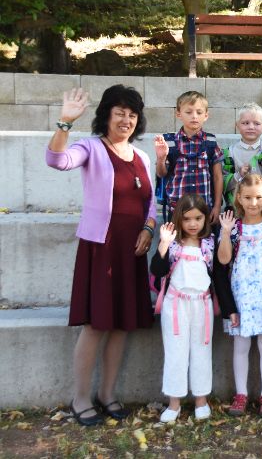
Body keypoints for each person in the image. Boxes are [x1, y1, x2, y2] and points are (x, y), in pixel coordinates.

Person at [45, 85, 156, 426]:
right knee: (96, 325)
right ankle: (80, 398)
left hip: (133, 249)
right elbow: (57, 160)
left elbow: (151, 201)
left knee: (122, 325)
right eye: (119, 112)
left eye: (132, 114)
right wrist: (65, 122)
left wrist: (148, 228)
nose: (126, 120)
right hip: (102, 246)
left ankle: (107, 394)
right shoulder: (91, 148)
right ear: (106, 115)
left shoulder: (142, 157)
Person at [218, 174, 262, 417]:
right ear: (239, 197)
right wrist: (225, 232)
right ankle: (241, 394)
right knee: (241, 345)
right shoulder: (234, 227)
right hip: (242, 296)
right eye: (247, 197)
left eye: (258, 197)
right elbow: (224, 259)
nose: (253, 203)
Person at [150, 194, 217, 422]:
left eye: (198, 218)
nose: (192, 224)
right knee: (175, 352)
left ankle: (201, 400)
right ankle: (174, 403)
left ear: (205, 218)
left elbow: (218, 274)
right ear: (179, 219)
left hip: (202, 305)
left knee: (202, 351)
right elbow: (157, 270)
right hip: (175, 305)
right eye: (187, 219)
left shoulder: (209, 244)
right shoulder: (173, 243)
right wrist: (163, 244)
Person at [154, 91, 224, 223]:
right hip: (177, 209)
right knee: (176, 237)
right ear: (178, 114)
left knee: (205, 237)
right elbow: (161, 173)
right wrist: (161, 158)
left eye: (199, 112)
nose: (194, 116)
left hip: (203, 210)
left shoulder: (210, 141)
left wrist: (217, 206)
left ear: (206, 115)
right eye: (188, 112)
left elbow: (217, 176)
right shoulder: (169, 142)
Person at [221, 104, 262, 211]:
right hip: (236, 209)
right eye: (245, 123)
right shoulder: (228, 153)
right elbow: (222, 184)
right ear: (237, 125)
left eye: (257, 123)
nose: (251, 127)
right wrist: (239, 175)